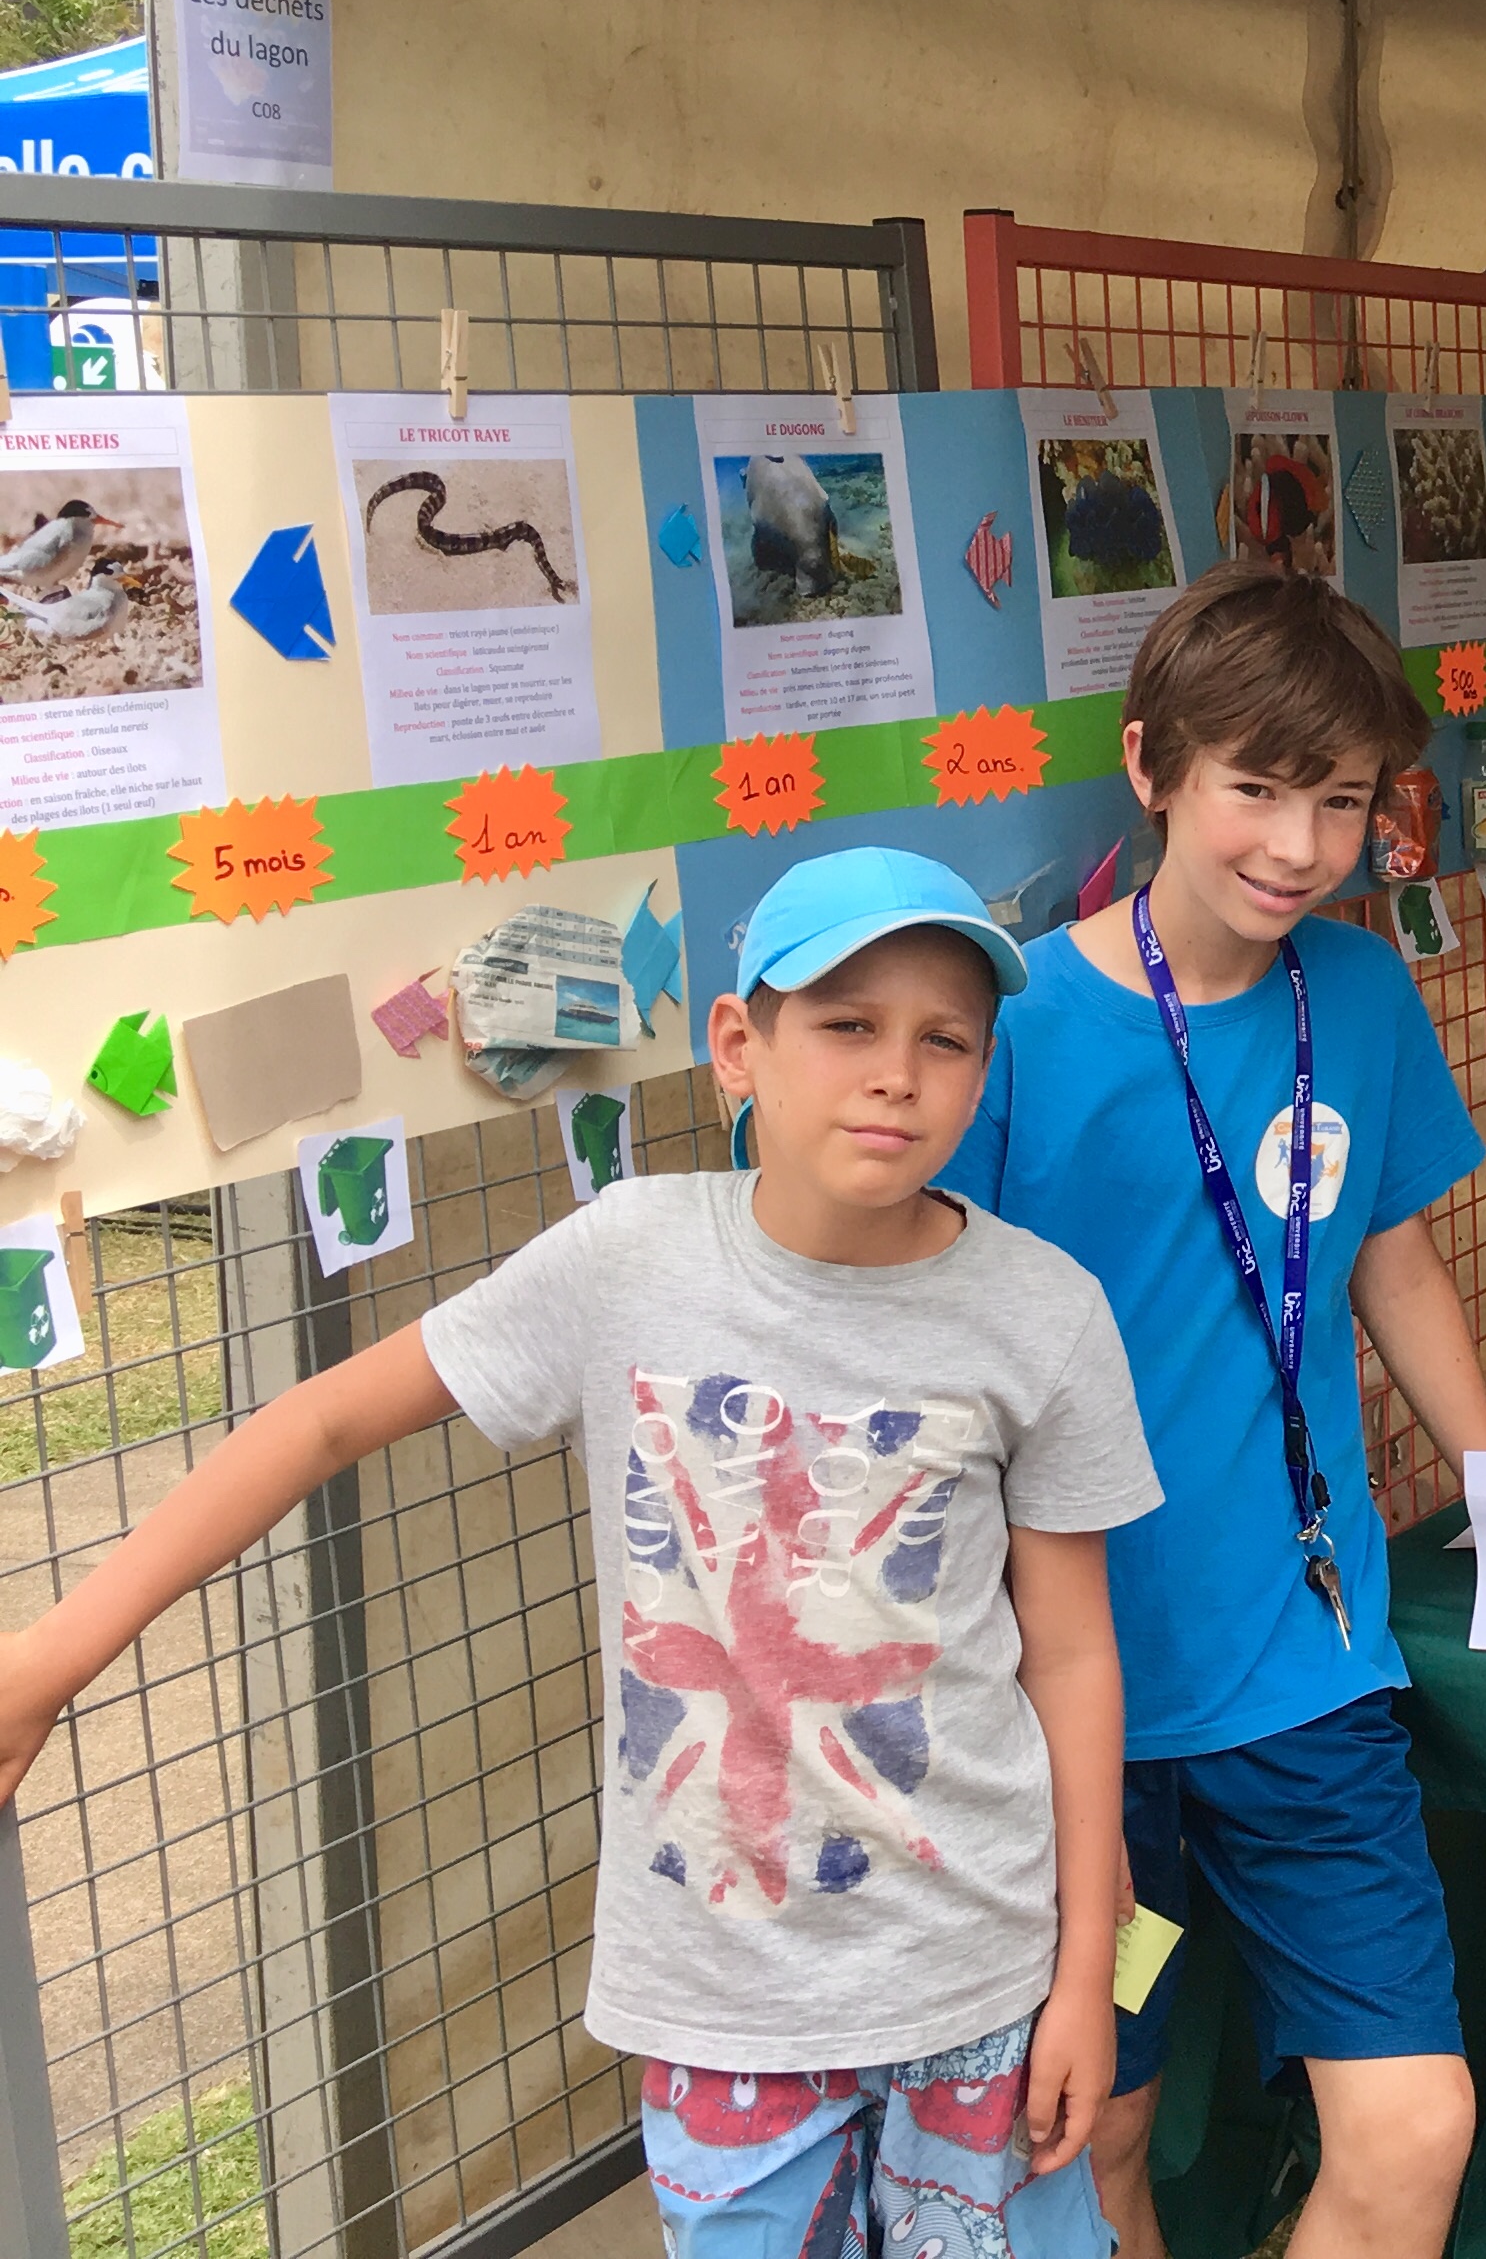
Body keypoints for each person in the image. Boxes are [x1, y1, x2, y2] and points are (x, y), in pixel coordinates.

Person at [0, 848, 1158, 2256]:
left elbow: (1074, 1660)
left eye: (945, 1040)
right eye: (847, 1024)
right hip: (720, 2002)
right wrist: (48, 1662)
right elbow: (316, 1423)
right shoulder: (628, 1259)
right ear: (739, 1044)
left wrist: (1082, 1974)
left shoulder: (1044, 1313)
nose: (896, 1076)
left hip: (978, 1979)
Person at [947, 560, 1486, 2259]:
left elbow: (1388, 1256)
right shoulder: (1013, 1029)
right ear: (1151, 765)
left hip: (1302, 1671)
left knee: (1415, 2126)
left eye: (1341, 802)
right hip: (1060, 1707)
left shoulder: (1364, 993)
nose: (1298, 844)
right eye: (1257, 788)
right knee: (1094, 2137)